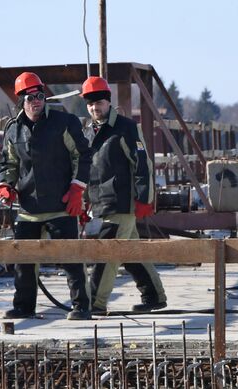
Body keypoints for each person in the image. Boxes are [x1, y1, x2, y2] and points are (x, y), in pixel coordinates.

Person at [0, 71, 92, 320]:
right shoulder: (14, 130)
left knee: (70, 258)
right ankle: (23, 306)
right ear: (21, 101)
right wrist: (6, 186)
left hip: (61, 204)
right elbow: (9, 164)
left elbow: (82, 155)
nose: (36, 101)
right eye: (30, 98)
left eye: (39, 96)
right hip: (28, 209)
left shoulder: (64, 123)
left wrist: (77, 188)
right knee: (24, 262)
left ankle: (81, 306)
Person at [81, 76, 167, 313]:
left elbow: (143, 164)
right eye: (89, 103)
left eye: (98, 102)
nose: (94, 107)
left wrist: (144, 198)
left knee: (107, 252)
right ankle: (154, 296)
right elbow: (90, 169)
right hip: (103, 202)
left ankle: (94, 304)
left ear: (108, 102)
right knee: (130, 251)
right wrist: (85, 200)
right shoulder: (89, 132)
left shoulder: (125, 128)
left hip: (122, 202)